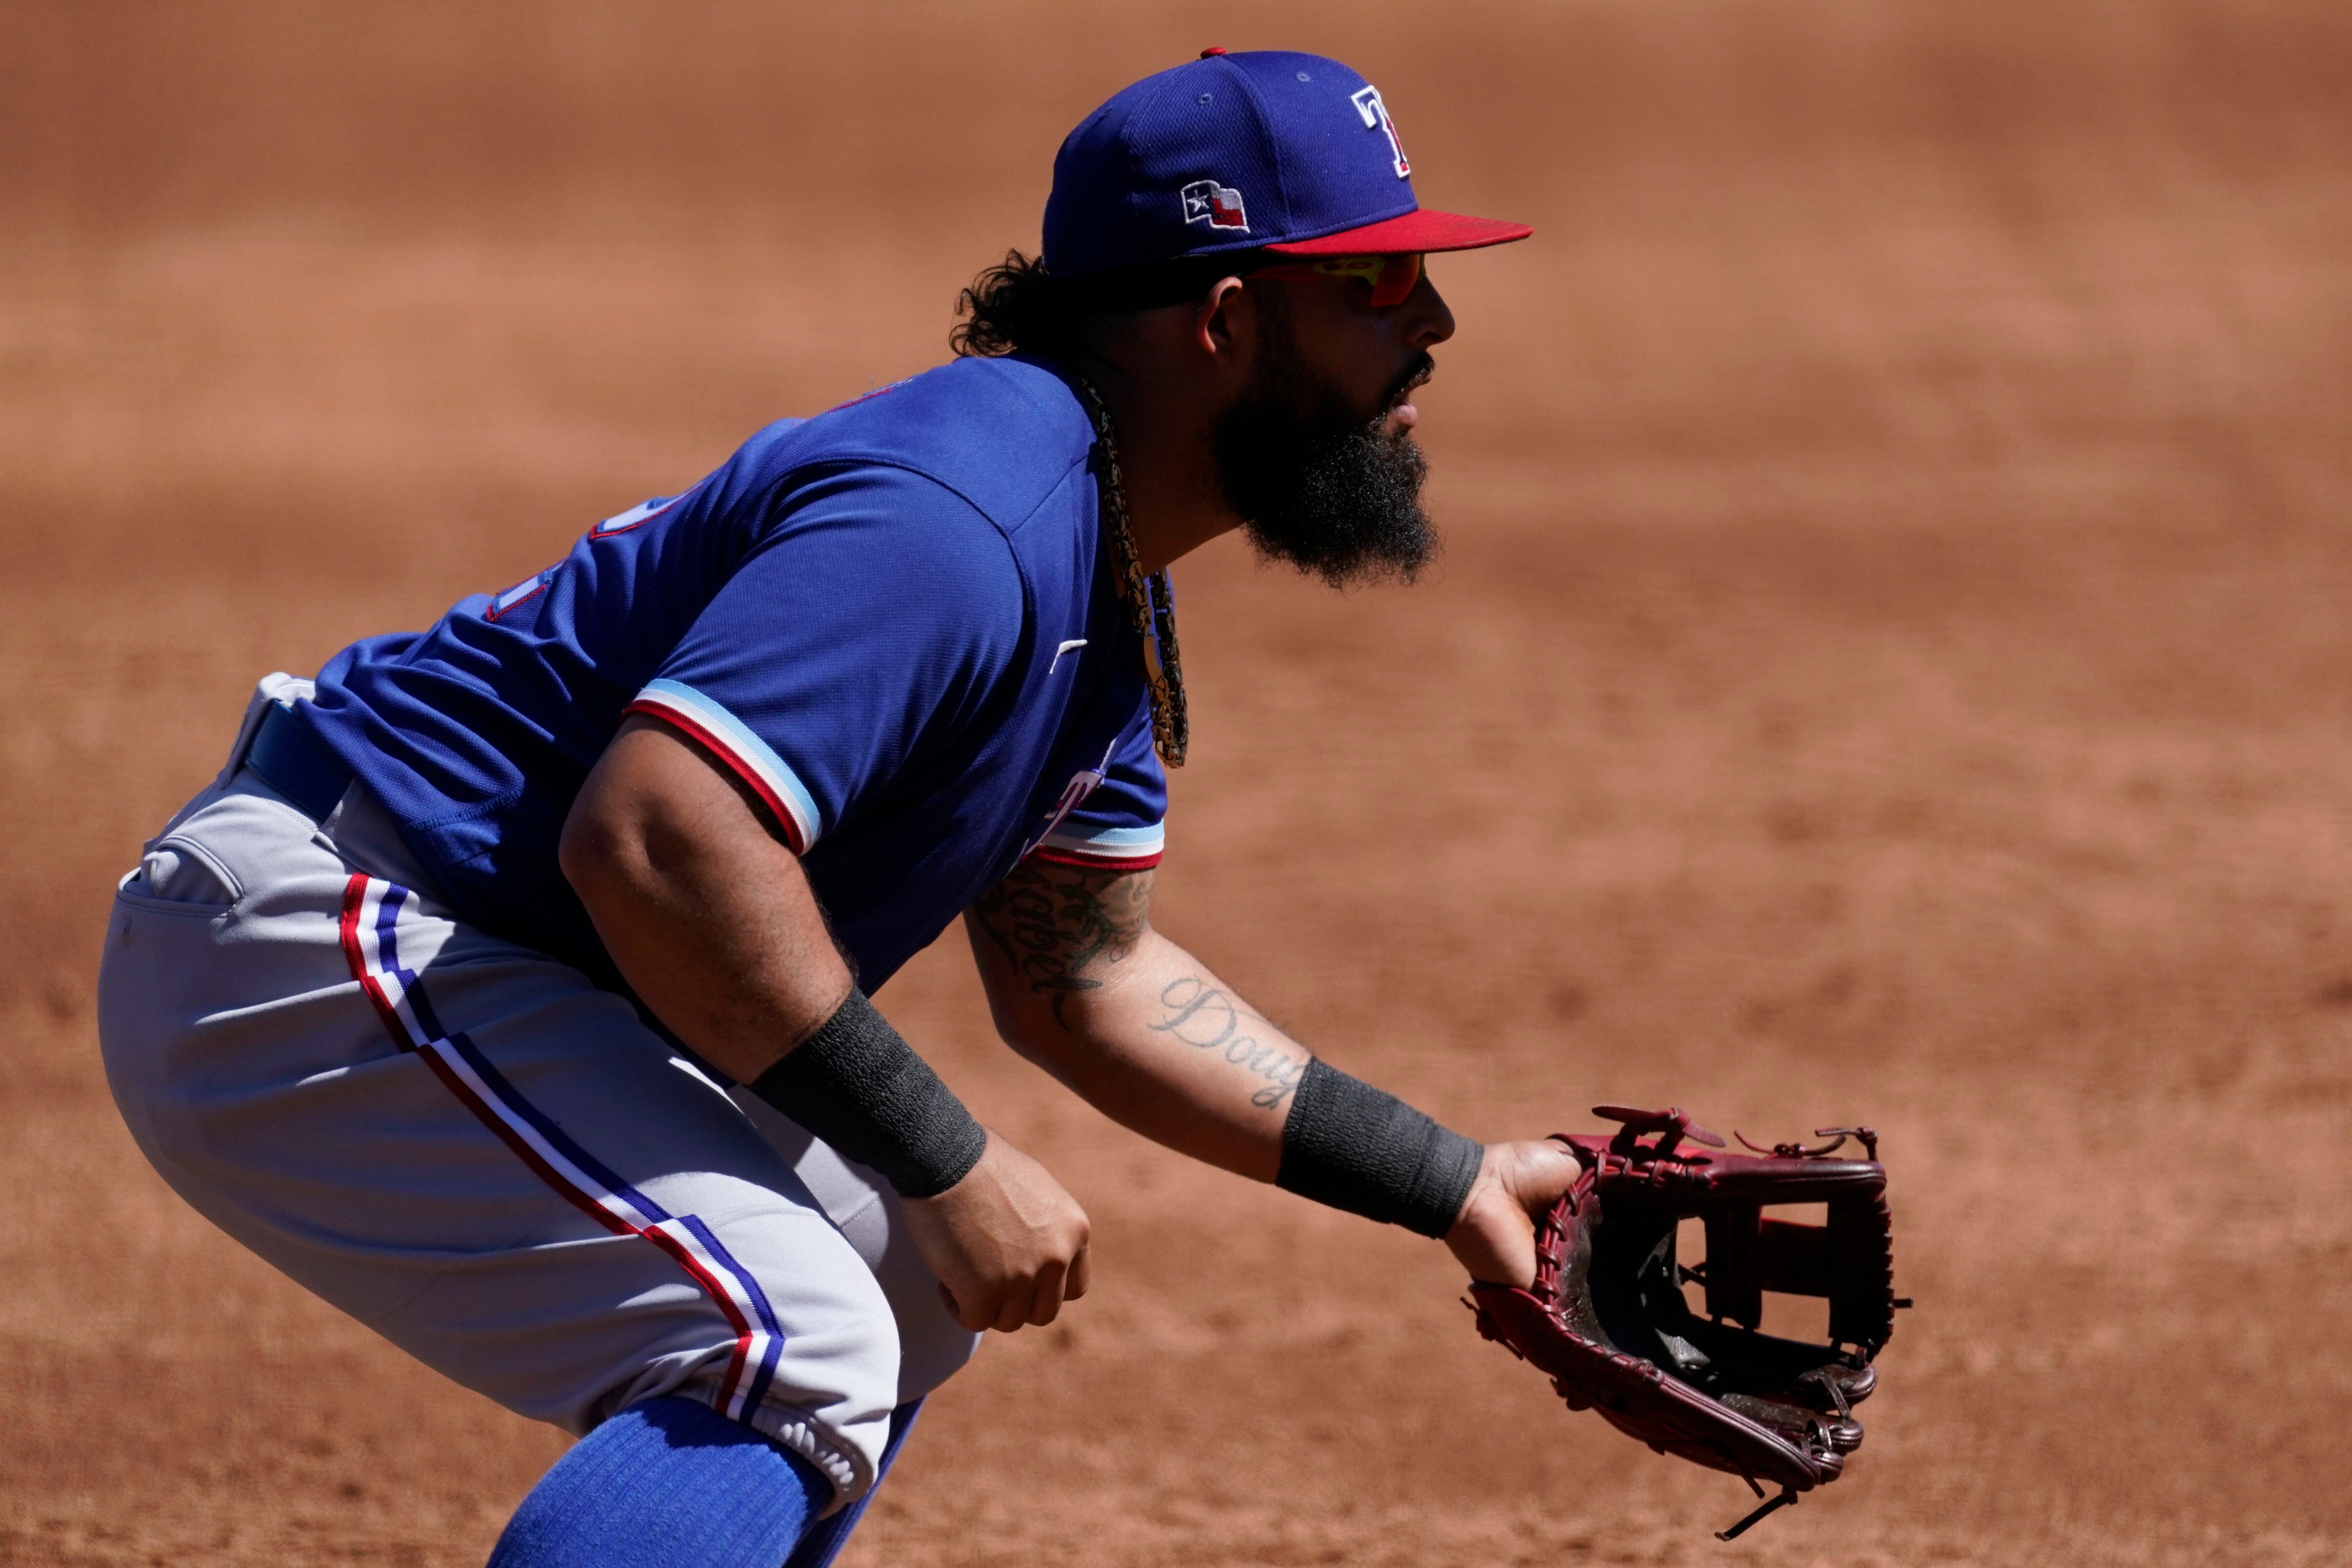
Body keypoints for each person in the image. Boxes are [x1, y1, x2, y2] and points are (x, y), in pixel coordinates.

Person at [96, 47, 1582, 1568]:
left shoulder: (1094, 568)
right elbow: (662, 835)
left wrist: (1448, 1180)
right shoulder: (962, 519)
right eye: (1376, 286)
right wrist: (945, 1157)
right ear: (1223, 320)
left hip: (473, 950)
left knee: (893, 1298)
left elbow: (1090, 978)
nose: (1434, 324)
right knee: (793, 1344)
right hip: (329, 941)